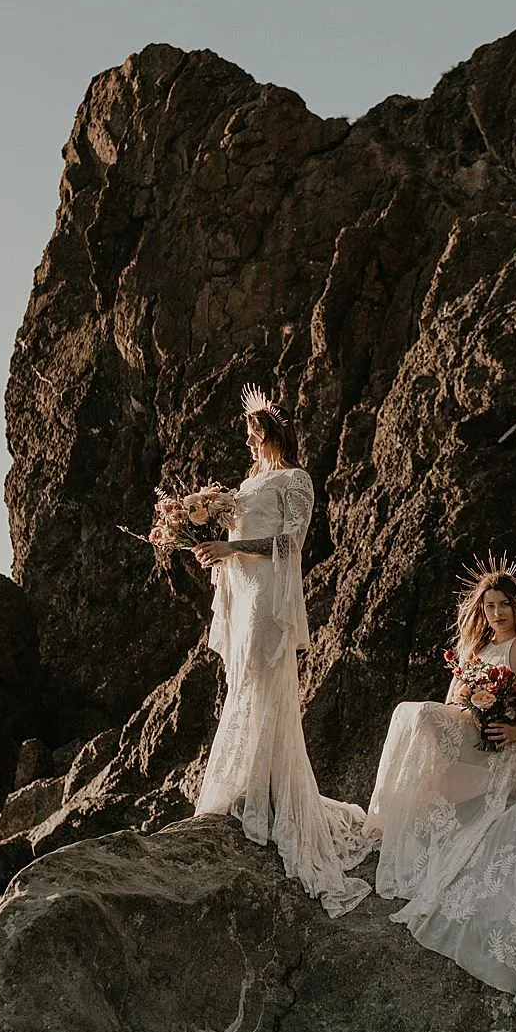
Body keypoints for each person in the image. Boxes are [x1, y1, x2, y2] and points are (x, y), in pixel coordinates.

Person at [364, 560, 516, 1022]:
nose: (496, 613)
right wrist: (475, 717)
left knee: (422, 719)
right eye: (489, 606)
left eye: (503, 605)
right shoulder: (476, 651)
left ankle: (462, 801)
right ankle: (405, 817)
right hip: (482, 740)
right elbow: (455, 707)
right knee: (417, 719)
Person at [191, 386, 373, 916]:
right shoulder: (248, 483)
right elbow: (231, 532)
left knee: (261, 678)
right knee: (243, 682)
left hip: (269, 594)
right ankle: (251, 786)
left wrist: (231, 547)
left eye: (254, 432)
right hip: (243, 591)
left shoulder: (296, 480)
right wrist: (201, 529)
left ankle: (265, 796)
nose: (248, 441)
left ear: (274, 433)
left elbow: (289, 543)